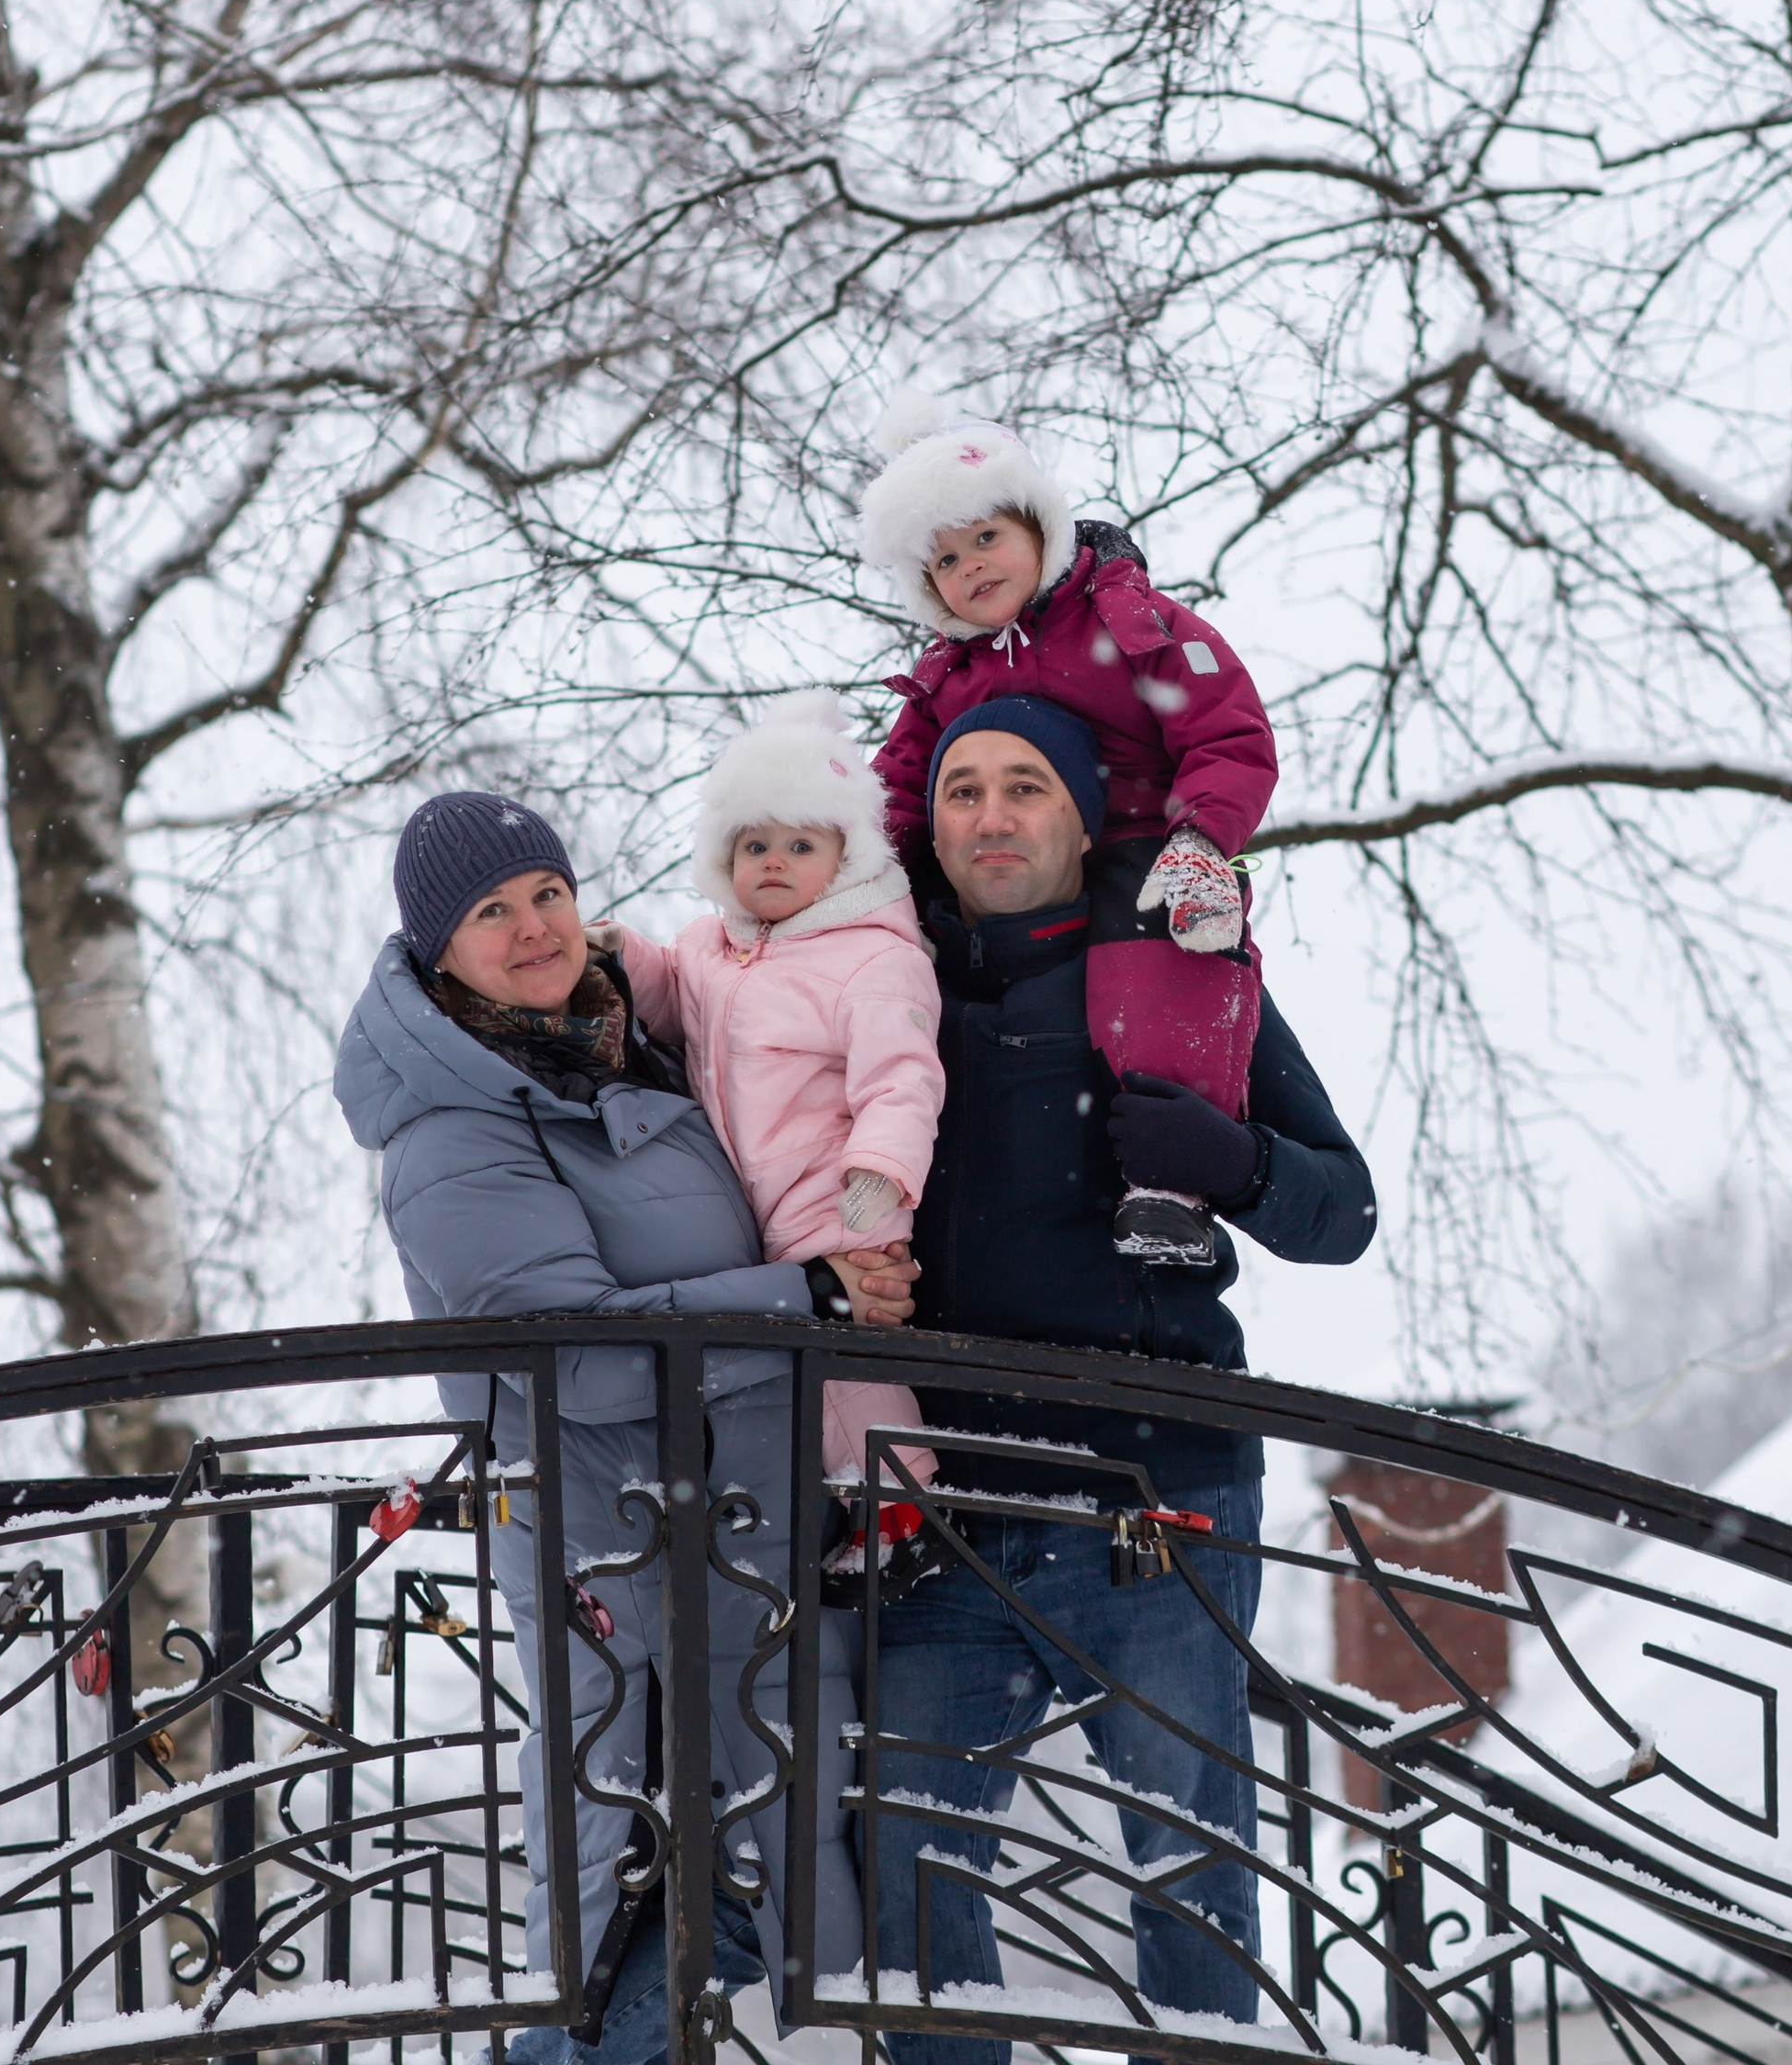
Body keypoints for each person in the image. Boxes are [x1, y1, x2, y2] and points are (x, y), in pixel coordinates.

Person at [332, 791, 917, 2065]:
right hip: (628, 1580)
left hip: (742, 1550)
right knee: (628, 1938)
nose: (535, 926)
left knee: (769, 1929)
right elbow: (578, 1358)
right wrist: (807, 1296)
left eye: (546, 891)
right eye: (491, 912)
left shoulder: (623, 1051)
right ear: (440, 954)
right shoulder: (452, 1129)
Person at [863, 699, 1376, 2061]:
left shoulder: (1176, 965)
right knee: (906, 1867)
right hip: (942, 1514)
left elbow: (1344, 1212)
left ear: (1086, 818)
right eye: (962, 789)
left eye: (1025, 787)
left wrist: (1233, 1161)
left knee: (1190, 1873)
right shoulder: (875, 976)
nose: (989, 817)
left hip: (1152, 1497)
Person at [857, 393, 1279, 1268]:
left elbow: (1226, 731)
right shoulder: (952, 676)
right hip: (1012, 888)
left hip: (1147, 852)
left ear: (1042, 529)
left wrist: (1201, 840)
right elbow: (898, 787)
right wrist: (867, 872)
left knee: (1165, 948)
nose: (970, 567)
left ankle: (1169, 1176)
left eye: (986, 538)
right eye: (943, 560)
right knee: (905, 933)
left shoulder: (1129, 622)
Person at [596, 690, 946, 1590]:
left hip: (839, 1196)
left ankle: (906, 1502)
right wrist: (624, 957)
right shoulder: (711, 948)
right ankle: (856, 1499)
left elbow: (902, 1079)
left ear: (845, 856)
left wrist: (882, 1175)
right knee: (793, 1367)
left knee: (839, 1365)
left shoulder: (871, 957)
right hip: (747, 1206)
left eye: (800, 844)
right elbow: (671, 998)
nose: (775, 863)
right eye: (755, 845)